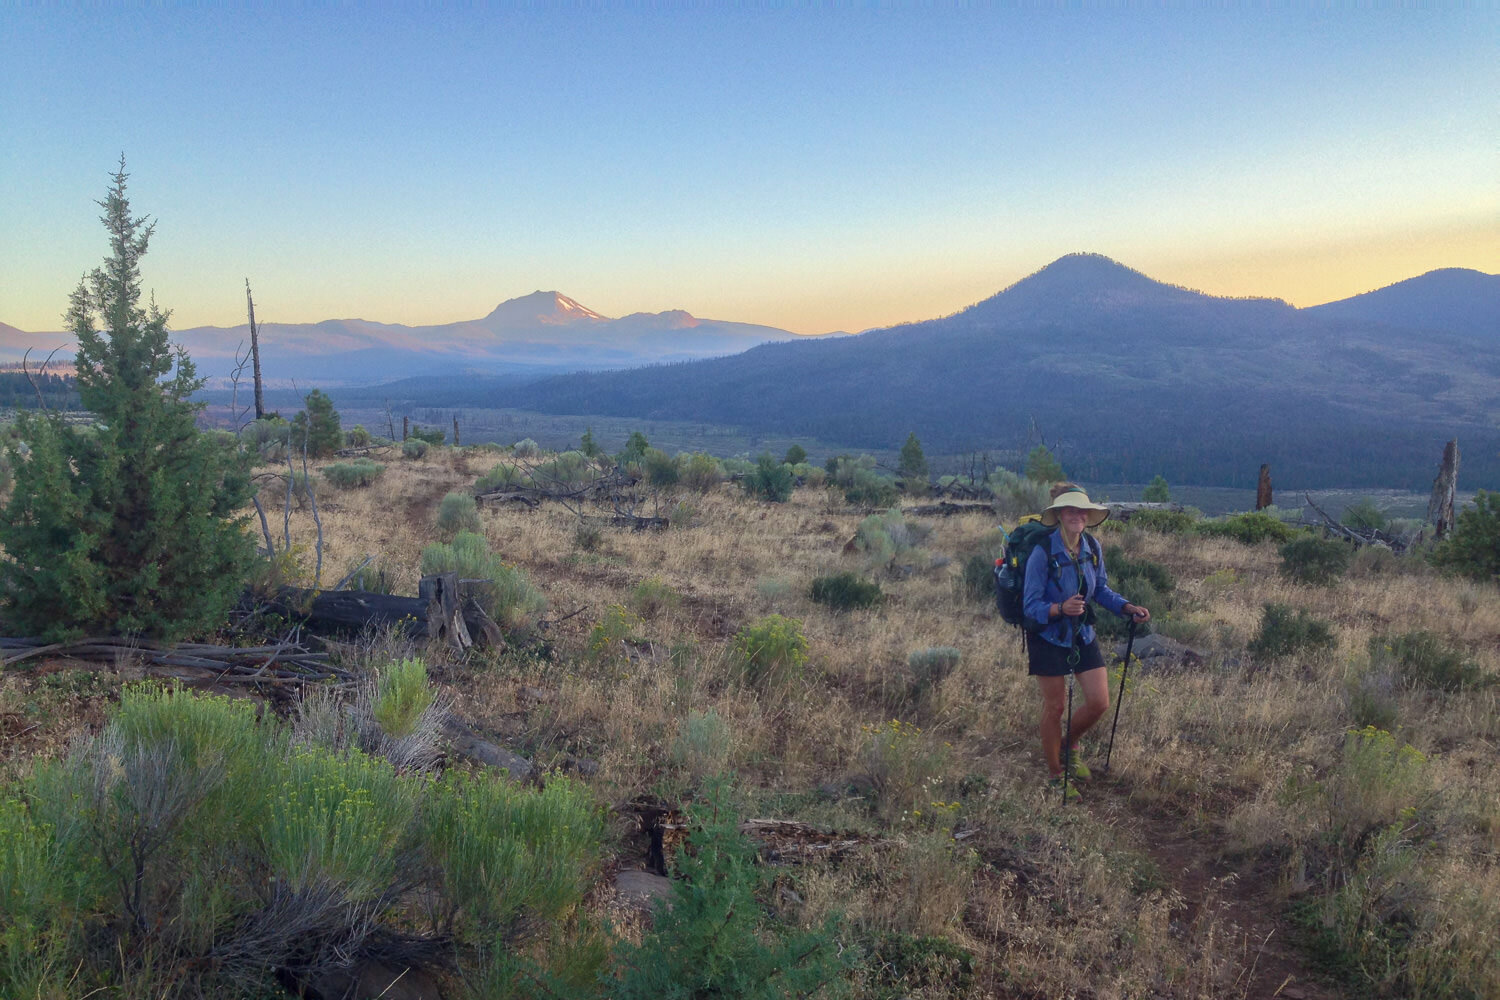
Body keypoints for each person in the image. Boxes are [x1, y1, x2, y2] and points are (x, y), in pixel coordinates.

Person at [1023, 487, 1150, 796]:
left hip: (1082, 633)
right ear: (1059, 516)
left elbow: (1101, 589)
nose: (1077, 516)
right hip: (1047, 636)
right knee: (1055, 708)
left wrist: (1125, 606)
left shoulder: (1091, 546)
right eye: (1071, 511)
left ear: (1088, 517)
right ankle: (1056, 775)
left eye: (1082, 512)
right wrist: (1059, 609)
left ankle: (1067, 746)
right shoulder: (1042, 551)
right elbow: (1029, 605)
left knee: (1099, 702)